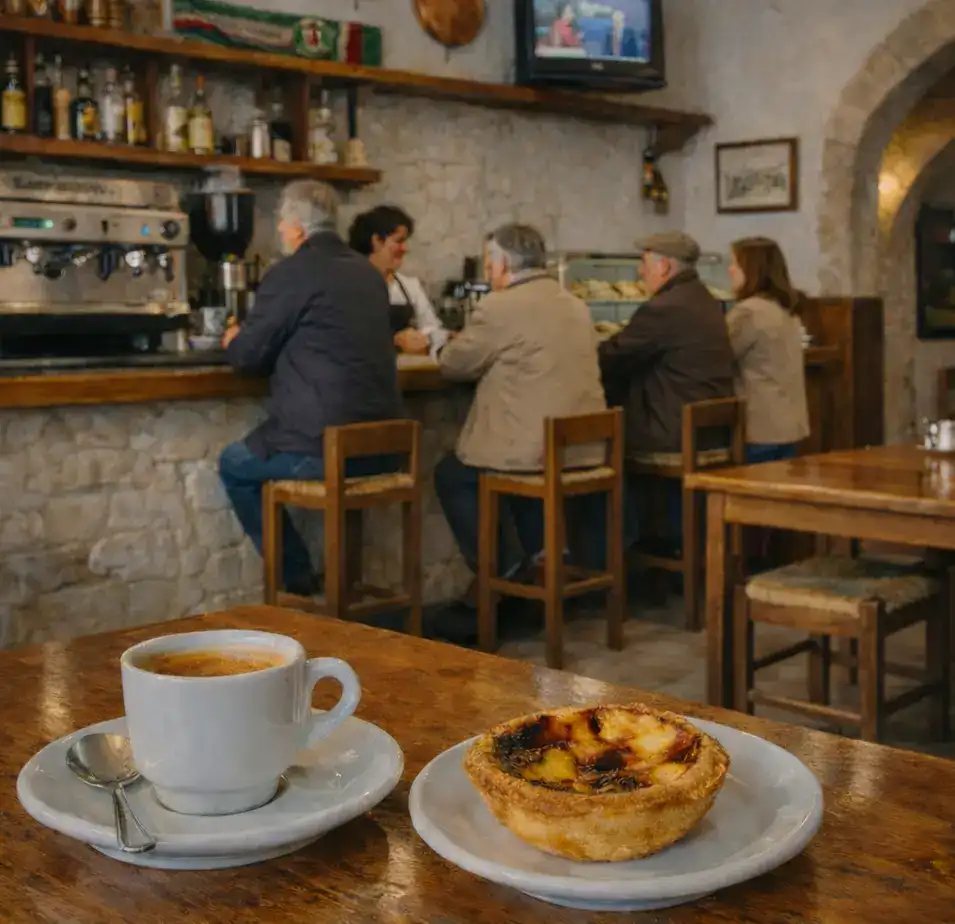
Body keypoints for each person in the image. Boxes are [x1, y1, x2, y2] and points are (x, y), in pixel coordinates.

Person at [218, 180, 402, 596]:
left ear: (298, 228)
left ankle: (299, 581)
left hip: (323, 450)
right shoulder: (370, 274)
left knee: (234, 464)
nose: (281, 231)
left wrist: (233, 340)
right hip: (384, 448)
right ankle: (342, 585)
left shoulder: (290, 273)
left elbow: (248, 358)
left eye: (282, 224)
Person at [434, 223, 606, 600]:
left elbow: (454, 365)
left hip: (536, 452)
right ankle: (539, 558)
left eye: (489, 263)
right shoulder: (575, 303)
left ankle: (503, 571)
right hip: (584, 449)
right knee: (516, 462)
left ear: (502, 264)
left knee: (452, 474)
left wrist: (434, 343)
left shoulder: (499, 306)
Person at [599, 231, 734, 550]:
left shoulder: (665, 307)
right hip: (709, 430)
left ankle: (631, 551)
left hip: (672, 433)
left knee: (599, 455)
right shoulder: (703, 298)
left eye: (644, 264)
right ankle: (660, 546)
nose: (640, 272)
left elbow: (613, 357)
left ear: (664, 267)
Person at [726, 236, 810, 463]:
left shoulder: (748, 312)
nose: (729, 270)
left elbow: (721, 356)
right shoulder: (784, 308)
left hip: (760, 425)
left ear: (753, 270)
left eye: (735, 264)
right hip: (789, 423)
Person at [347, 204, 447, 356]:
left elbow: (433, 328)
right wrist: (393, 341)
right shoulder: (347, 285)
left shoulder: (410, 286)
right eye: (399, 241)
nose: (405, 248)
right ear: (376, 241)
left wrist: (427, 340)